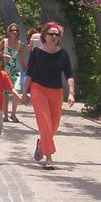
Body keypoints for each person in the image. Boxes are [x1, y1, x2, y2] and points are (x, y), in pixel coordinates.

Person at [23, 22, 75, 170]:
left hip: (56, 92)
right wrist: (25, 92)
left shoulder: (63, 54)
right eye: (51, 34)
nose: (53, 36)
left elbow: (69, 75)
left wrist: (71, 93)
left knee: (54, 125)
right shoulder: (36, 53)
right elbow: (29, 74)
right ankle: (48, 156)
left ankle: (41, 144)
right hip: (38, 90)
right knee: (45, 123)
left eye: (56, 34)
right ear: (44, 35)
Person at [0, 23, 26, 123]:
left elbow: (22, 59)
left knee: (16, 90)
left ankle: (13, 114)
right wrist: (3, 54)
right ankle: (5, 114)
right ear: (9, 31)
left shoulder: (20, 44)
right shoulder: (4, 42)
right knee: (5, 93)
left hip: (15, 69)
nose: (14, 32)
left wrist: (26, 70)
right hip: (5, 69)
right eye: (12, 30)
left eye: (16, 30)